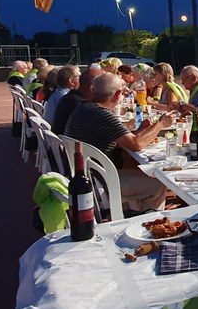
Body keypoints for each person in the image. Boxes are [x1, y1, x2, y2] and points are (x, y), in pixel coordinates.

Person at [64, 73, 175, 213]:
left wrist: (141, 130)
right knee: (159, 182)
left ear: (93, 89)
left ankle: (136, 211)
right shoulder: (102, 114)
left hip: (84, 175)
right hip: (99, 181)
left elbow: (126, 140)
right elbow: (136, 145)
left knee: (138, 167)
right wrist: (160, 124)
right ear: (117, 95)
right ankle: (150, 218)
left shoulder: (83, 108)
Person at [52, 66, 100, 134]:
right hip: (66, 138)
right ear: (92, 88)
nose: (80, 79)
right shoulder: (79, 104)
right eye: (79, 76)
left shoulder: (69, 97)